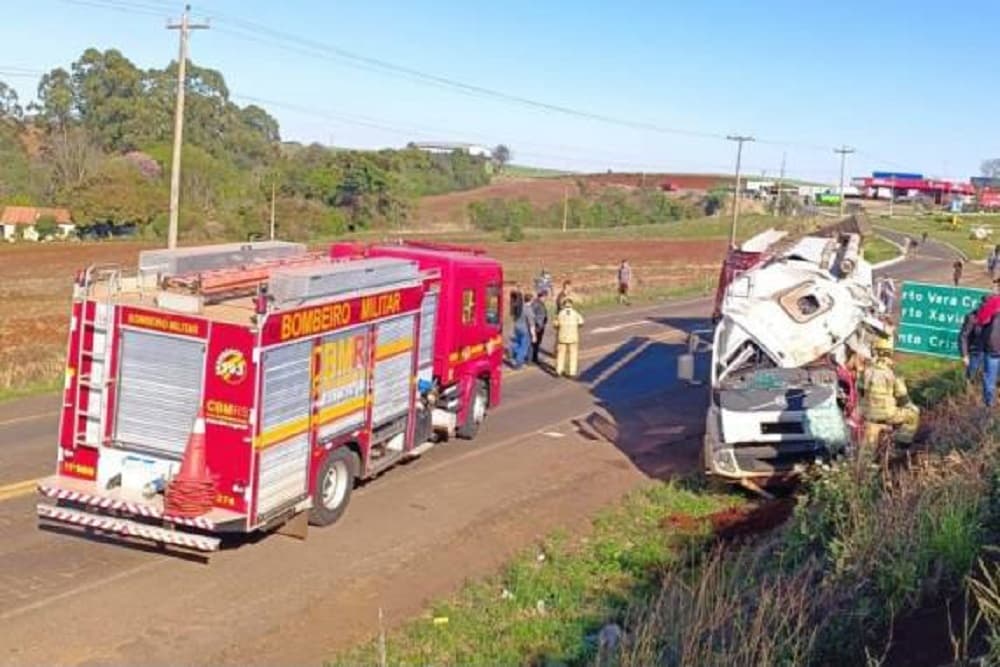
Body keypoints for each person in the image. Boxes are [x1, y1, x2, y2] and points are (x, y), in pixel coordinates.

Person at [858, 336, 919, 447]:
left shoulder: (865, 370)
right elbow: (903, 397)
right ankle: (901, 444)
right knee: (913, 414)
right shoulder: (893, 372)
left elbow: (860, 391)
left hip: (868, 414)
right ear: (890, 352)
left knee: (867, 452)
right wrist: (909, 405)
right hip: (889, 415)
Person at [554, 298, 584, 378]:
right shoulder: (575, 313)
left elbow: (556, 324)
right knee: (573, 355)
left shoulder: (560, 313)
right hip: (573, 337)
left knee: (561, 354)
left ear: (564, 304)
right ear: (571, 304)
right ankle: (572, 372)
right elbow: (581, 322)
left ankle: (559, 371)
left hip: (562, 336)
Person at [960, 297, 987, 381]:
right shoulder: (972, 317)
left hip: (993, 354)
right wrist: (964, 355)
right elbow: (964, 336)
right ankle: (970, 392)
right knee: (972, 378)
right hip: (976, 353)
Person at [531, 291, 548, 365]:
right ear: (541, 296)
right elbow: (532, 315)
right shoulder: (536, 303)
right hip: (537, 326)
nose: (546, 298)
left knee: (537, 343)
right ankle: (534, 358)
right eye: (545, 296)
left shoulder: (540, 303)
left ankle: (534, 357)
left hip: (540, 325)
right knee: (535, 343)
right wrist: (536, 324)